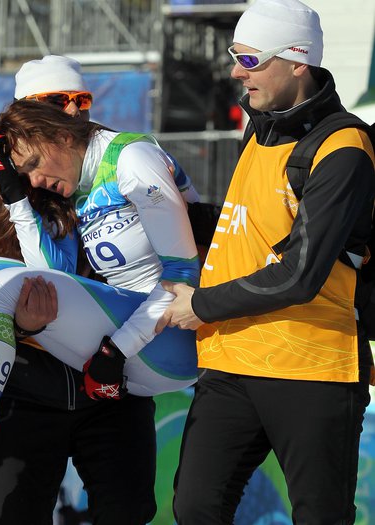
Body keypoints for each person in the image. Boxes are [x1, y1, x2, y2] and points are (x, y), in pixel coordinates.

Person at [0, 99, 201, 519]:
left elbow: (182, 275)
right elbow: (47, 278)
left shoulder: (131, 158)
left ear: (63, 133)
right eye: (23, 173)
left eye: (34, 165)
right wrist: (13, 194)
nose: (36, 180)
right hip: (111, 356)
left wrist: (116, 350)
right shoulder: (79, 186)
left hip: (165, 344)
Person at [154, 0, 375, 523]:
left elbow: (301, 272)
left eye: (250, 60)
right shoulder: (259, 130)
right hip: (231, 360)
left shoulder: (346, 146)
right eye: (236, 56)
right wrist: (159, 206)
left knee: (320, 516)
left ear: (298, 61)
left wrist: (201, 305)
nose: (235, 71)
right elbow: (245, 228)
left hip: (311, 365)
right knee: (195, 507)